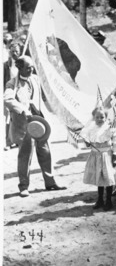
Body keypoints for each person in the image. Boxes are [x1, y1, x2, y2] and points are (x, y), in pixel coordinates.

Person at [4, 56, 66, 197]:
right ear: (19, 68)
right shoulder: (12, 84)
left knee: (45, 152)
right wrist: (22, 109)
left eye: (32, 66)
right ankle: (23, 186)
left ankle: (50, 183)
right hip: (24, 127)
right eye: (28, 67)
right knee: (25, 156)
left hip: (40, 123)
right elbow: (7, 99)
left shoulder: (36, 79)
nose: (31, 69)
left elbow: (45, 97)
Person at [81, 106, 116, 211]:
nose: (100, 119)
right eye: (97, 117)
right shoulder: (91, 129)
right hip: (95, 156)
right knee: (99, 177)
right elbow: (88, 143)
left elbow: (115, 143)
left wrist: (115, 156)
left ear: (106, 117)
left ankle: (109, 200)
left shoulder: (109, 129)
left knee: (108, 177)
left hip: (107, 156)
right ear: (94, 118)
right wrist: (87, 142)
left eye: (102, 117)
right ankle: (100, 199)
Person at [4, 42, 21, 150]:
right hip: (9, 92)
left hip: (20, 93)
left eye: (17, 51)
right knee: (9, 118)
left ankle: (19, 140)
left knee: (19, 116)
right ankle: (8, 142)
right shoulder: (6, 65)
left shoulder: (23, 63)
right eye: (12, 51)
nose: (14, 53)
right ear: (9, 52)